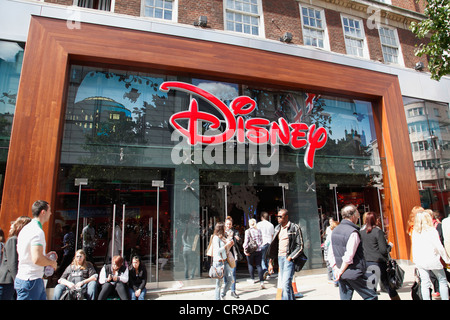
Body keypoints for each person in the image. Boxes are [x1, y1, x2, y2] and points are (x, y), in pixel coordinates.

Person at [328, 204, 377, 300]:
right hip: (353, 271)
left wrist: (336, 269)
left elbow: (331, 252)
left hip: (341, 273)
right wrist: (341, 270)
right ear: (353, 216)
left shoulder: (335, 230)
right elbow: (349, 255)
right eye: (358, 215)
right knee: (371, 296)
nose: (358, 218)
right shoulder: (353, 232)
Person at [14, 200, 58, 300]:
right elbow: (37, 259)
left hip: (29, 279)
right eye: (49, 210)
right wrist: (52, 263)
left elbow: (29, 255)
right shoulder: (37, 232)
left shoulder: (26, 229)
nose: (51, 213)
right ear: (43, 212)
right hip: (31, 281)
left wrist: (44, 256)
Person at [360, 211, 400, 300]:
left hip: (367, 263)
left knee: (371, 288)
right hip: (379, 263)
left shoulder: (362, 233)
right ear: (375, 220)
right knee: (388, 285)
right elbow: (383, 250)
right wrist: (389, 246)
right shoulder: (378, 232)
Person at [411, 210, 450, 300]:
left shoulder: (415, 232)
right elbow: (439, 247)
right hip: (432, 259)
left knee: (425, 283)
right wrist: (447, 259)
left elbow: (414, 247)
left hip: (420, 260)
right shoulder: (431, 231)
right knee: (442, 280)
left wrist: (415, 260)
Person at [267, 209, 304, 300]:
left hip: (289, 258)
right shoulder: (277, 228)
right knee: (287, 284)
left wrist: (290, 257)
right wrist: (270, 262)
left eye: (280, 216)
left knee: (285, 284)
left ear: (286, 217)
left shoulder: (294, 228)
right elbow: (274, 246)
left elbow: (300, 246)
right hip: (280, 258)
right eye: (277, 216)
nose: (278, 218)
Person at [0, 216, 31, 300]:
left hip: (12, 282)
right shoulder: (13, 240)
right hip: (8, 281)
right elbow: (12, 264)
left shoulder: (21, 241)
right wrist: (19, 283)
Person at [212, 222, 234, 300]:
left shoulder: (223, 237)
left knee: (230, 279)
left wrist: (229, 245)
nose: (226, 228)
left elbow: (225, 250)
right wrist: (226, 246)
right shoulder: (216, 238)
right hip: (218, 262)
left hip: (225, 261)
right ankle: (217, 298)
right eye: (224, 227)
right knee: (219, 283)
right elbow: (218, 250)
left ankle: (223, 294)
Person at [243, 218, 265, 288]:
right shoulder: (259, 231)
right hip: (258, 249)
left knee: (250, 264)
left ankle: (252, 279)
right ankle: (261, 281)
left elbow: (246, 241)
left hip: (251, 250)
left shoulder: (248, 231)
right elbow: (261, 240)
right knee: (259, 265)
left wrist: (245, 249)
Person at [224, 216, 242, 298]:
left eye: (229, 224)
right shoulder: (222, 232)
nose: (228, 225)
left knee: (233, 273)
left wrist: (238, 239)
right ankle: (226, 287)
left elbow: (240, 242)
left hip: (233, 255)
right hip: (224, 255)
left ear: (232, 225)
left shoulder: (235, 232)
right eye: (227, 224)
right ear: (225, 224)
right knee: (225, 273)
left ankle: (233, 290)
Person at [256, 211, 274, 279]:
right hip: (269, 242)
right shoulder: (271, 225)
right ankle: (269, 272)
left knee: (262, 259)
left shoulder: (259, 224)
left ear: (262, 217)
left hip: (262, 243)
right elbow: (272, 235)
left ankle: (265, 270)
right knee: (268, 258)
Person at [323, 218, 339, 286]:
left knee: (334, 266)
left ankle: (335, 279)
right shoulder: (331, 234)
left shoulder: (331, 234)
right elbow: (327, 245)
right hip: (332, 252)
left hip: (333, 252)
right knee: (333, 266)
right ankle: (335, 279)